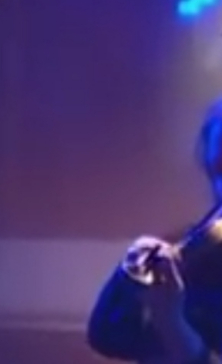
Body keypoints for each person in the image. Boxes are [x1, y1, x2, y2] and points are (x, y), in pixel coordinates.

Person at [87, 100, 222, 363]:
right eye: (220, 169)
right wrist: (128, 276)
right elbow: (107, 337)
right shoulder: (192, 249)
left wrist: (172, 324)